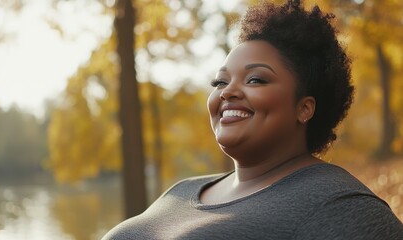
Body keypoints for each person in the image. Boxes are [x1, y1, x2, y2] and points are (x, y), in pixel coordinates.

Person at [102, 0, 403, 239]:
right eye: (219, 82)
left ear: (304, 108)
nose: (228, 91)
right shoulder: (183, 190)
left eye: (256, 80)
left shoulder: (342, 207)